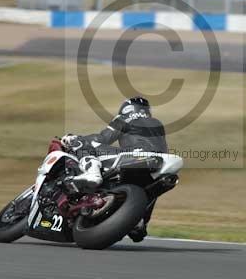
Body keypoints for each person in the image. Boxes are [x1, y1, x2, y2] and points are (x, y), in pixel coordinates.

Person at [59, 96, 167, 242]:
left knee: (84, 144)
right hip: (157, 162)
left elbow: (101, 139)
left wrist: (75, 138)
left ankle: (92, 173)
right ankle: (141, 220)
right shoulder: (157, 123)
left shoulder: (125, 118)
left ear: (127, 108)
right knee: (152, 186)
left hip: (134, 155)